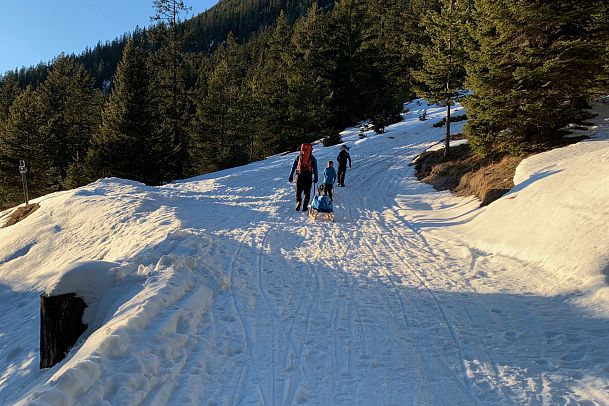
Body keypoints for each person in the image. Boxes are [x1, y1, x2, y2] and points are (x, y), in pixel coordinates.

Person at [288, 143, 318, 211]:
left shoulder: (298, 157)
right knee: (307, 192)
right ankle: (305, 206)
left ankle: (298, 202)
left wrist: (291, 176)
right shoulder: (312, 158)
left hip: (299, 175)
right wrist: (316, 177)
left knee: (298, 191)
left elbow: (293, 167)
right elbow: (315, 169)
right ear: (311, 150)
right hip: (308, 176)